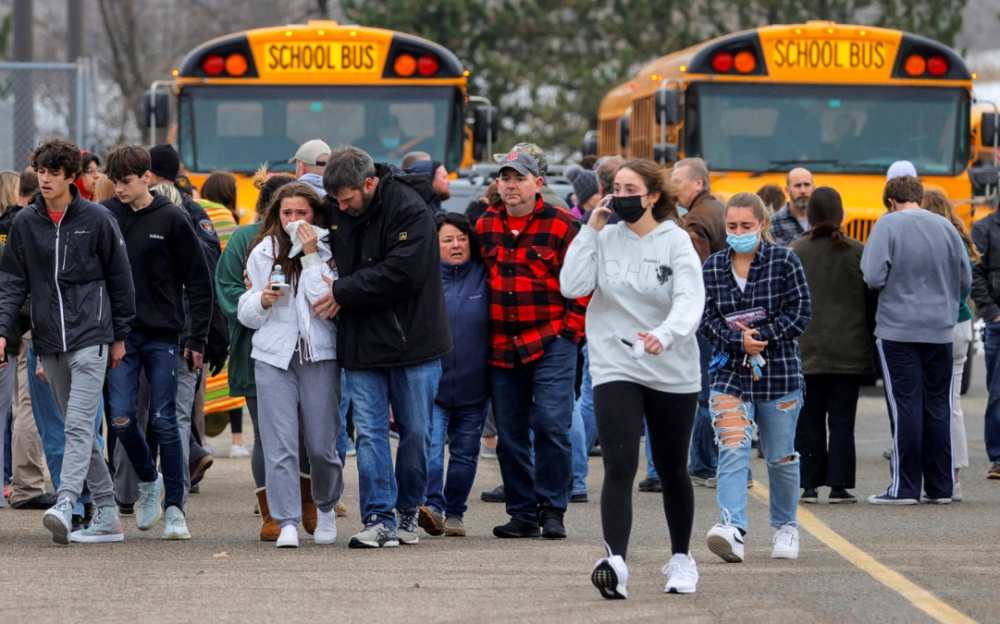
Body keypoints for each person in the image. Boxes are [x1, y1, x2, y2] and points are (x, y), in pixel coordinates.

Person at [562, 158, 704, 597]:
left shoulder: (675, 241)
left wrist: (665, 335)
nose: (620, 196)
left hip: (671, 367)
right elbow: (572, 285)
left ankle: (681, 558)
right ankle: (615, 562)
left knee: (671, 467)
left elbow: (689, 300)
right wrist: (590, 229)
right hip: (615, 363)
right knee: (620, 465)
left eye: (630, 189)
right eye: (615, 188)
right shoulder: (602, 237)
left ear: (653, 196)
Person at [0, 137, 135, 544]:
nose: (44, 179)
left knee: (78, 423)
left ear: (71, 177)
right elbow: (11, 283)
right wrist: (4, 332)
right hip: (47, 341)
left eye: (53, 172)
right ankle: (109, 515)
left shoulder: (97, 219)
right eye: (40, 171)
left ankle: (67, 500)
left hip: (92, 335)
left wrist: (119, 336)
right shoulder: (25, 222)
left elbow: (120, 279)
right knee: (77, 430)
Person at [319, 146, 452, 548]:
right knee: (371, 434)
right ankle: (378, 517)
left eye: (347, 199)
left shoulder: (411, 208)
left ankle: (408, 509)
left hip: (414, 340)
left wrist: (343, 290)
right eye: (336, 201)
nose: (341, 207)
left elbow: (403, 273)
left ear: (370, 184)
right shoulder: (336, 205)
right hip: (361, 341)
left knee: (415, 433)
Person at [101, 145, 214, 540]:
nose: (119, 188)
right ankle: (149, 479)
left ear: (146, 177)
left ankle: (175, 509)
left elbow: (200, 283)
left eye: (126, 181)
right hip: (120, 336)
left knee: (167, 420)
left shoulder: (172, 218)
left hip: (165, 335)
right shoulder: (106, 215)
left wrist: (196, 337)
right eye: (114, 181)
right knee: (121, 416)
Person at [477, 150, 587, 540]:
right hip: (501, 345)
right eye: (504, 178)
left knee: (551, 425)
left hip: (551, 339)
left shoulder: (561, 224)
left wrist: (571, 333)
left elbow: (583, 282)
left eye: (518, 178)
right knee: (508, 435)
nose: (510, 185)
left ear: (537, 184)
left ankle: (553, 510)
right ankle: (522, 512)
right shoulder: (485, 225)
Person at [700, 192, 811, 562]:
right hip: (730, 371)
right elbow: (705, 318)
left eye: (746, 226)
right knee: (732, 447)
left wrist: (763, 338)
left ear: (762, 224)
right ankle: (732, 527)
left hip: (779, 372)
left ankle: (786, 527)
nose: (738, 232)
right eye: (731, 226)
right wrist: (736, 340)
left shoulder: (785, 260)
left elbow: (801, 312)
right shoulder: (714, 267)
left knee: (781, 457)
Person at [238, 182, 344, 548]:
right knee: (279, 443)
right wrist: (262, 301)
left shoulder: (331, 250)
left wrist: (311, 254)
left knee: (320, 445)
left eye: (302, 213)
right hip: (273, 357)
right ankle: (286, 522)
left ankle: (326, 506)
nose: (294, 220)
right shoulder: (262, 251)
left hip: (319, 355)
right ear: (276, 215)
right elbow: (247, 313)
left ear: (315, 214)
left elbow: (323, 301)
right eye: (287, 213)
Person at [861, 175, 970, 504]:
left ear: (890, 202)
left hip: (899, 330)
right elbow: (964, 277)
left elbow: (872, 275)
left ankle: (904, 486)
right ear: (919, 198)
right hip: (940, 329)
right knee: (939, 405)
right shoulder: (946, 227)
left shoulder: (887, 225)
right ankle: (941, 487)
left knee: (905, 405)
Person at [217, 167, 299, 540]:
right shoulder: (246, 239)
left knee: (283, 435)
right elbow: (229, 289)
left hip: (301, 350)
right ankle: (273, 512)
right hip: (257, 349)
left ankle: (295, 508)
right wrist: (257, 303)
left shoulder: (310, 239)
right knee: (272, 435)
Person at [790, 187, 874, 504]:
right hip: (848, 351)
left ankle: (808, 483)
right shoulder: (857, 251)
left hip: (806, 349)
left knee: (808, 418)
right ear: (840, 213)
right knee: (842, 420)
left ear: (809, 214)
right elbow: (871, 301)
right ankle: (839, 484)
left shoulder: (795, 251)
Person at [418, 213, 489, 538]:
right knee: (431, 452)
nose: (456, 245)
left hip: (475, 387)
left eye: (461, 238)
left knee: (464, 454)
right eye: (447, 240)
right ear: (435, 245)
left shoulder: (484, 274)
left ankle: (456, 513)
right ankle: (432, 506)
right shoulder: (424, 277)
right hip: (433, 387)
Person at [671, 157, 728, 489]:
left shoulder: (697, 220)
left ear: (698, 184)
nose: (674, 187)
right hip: (720, 314)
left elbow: (694, 270)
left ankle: (706, 464)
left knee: (707, 393)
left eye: (679, 181)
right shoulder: (715, 210)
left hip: (706, 317)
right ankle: (706, 461)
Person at [923, 189, 978, 500]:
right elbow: (965, 284)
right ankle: (954, 477)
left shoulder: (930, 242)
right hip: (961, 323)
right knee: (952, 404)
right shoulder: (960, 238)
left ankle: (935, 474)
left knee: (931, 404)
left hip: (937, 326)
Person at [971, 182, 1000, 480]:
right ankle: (999, 457)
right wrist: (993, 314)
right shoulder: (984, 228)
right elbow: (975, 273)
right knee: (998, 394)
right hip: (998, 325)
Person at [493, 143, 570, 210]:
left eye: (520, 179)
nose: (511, 185)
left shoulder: (550, 209)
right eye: (506, 178)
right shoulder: (559, 203)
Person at [770, 168, 814, 246]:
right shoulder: (774, 222)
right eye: (798, 185)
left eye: (807, 185)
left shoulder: (824, 221)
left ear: (813, 188)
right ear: (787, 190)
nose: (803, 191)